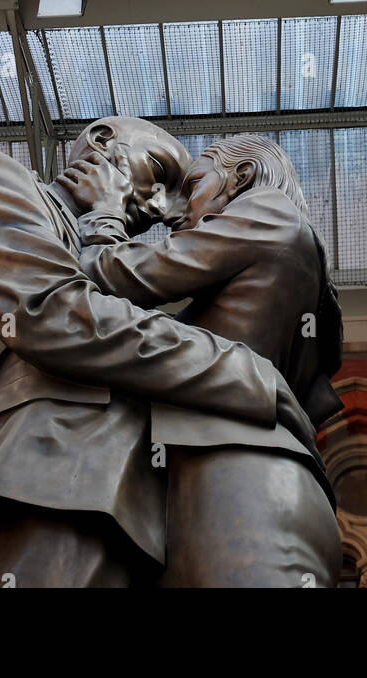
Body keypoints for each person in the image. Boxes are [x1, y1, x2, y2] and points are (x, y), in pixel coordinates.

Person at [0, 117, 313, 588]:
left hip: (139, 517)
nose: (165, 208)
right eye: (161, 175)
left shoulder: (263, 227)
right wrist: (242, 372)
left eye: (182, 191)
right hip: (41, 489)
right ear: (102, 142)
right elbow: (57, 317)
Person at [79, 133, 344, 588]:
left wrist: (104, 213)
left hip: (242, 480)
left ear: (240, 177)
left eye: (195, 185)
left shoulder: (268, 211)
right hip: (250, 479)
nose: (177, 213)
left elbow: (118, 276)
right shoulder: (286, 273)